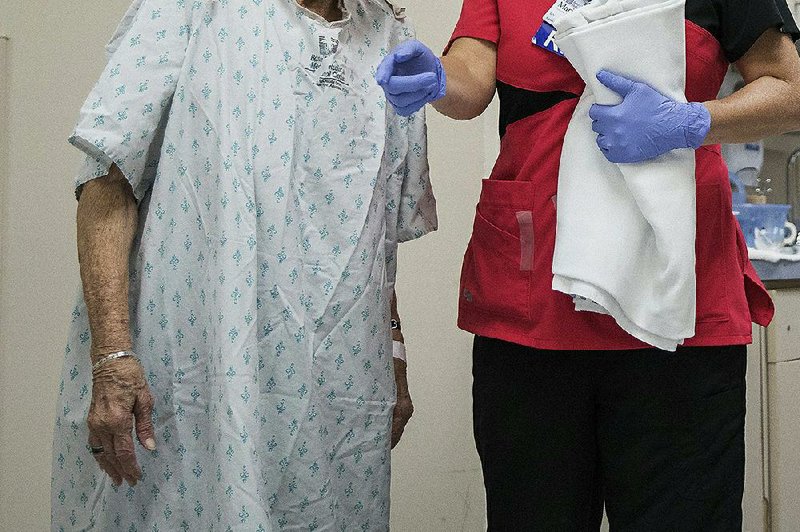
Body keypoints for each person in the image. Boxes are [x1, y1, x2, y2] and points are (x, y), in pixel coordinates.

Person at [377, 0, 800, 529]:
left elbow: (791, 89)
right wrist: (437, 78)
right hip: (533, 302)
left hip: (680, 305)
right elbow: (471, 75)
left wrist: (692, 121)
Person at [51, 0, 437, 530]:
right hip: (193, 381)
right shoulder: (193, 10)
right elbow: (108, 177)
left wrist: (393, 348)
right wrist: (112, 354)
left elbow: (377, 230)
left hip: (338, 390)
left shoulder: (389, 38)